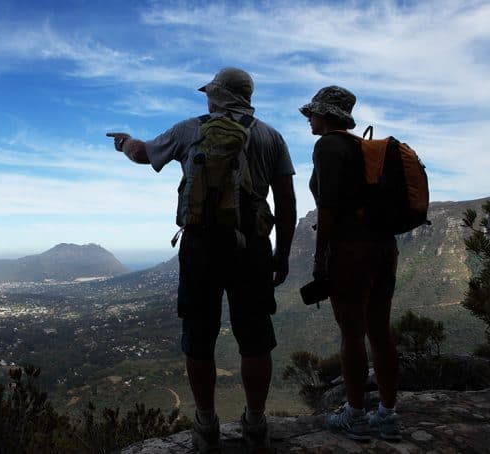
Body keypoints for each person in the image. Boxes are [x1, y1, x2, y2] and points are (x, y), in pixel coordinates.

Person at [108, 67, 296, 452]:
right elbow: (287, 201)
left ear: (217, 96)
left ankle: (206, 425)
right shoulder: (270, 137)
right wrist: (283, 252)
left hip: (201, 246)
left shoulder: (190, 130)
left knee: (199, 337)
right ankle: (257, 423)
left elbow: (144, 154)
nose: (206, 99)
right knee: (255, 339)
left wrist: (126, 142)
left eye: (209, 93)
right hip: (252, 247)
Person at [300, 86, 401, 442]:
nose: (308, 118)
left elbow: (326, 209)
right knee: (381, 331)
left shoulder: (327, 146)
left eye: (311, 113)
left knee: (352, 333)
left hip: (350, 252)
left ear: (326, 115)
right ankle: (387, 415)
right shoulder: (364, 148)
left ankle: (355, 415)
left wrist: (320, 258)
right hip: (384, 249)